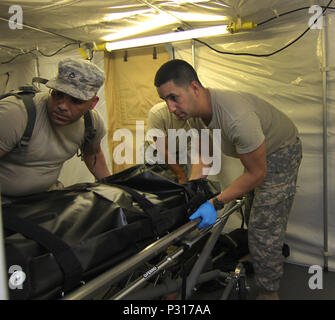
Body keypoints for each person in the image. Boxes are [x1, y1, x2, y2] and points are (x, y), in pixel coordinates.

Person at [154, 59, 302, 300]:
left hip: (281, 150)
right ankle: (258, 255)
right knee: (253, 207)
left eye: (173, 97)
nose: (170, 108)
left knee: (264, 223)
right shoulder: (192, 113)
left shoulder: (235, 116)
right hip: (259, 152)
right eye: (165, 100)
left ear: (194, 88)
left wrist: (215, 203)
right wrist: (192, 193)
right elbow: (204, 157)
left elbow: (257, 173)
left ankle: (268, 291)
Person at [0, 58, 111, 197]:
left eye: (76, 101)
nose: (62, 106)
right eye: (58, 94)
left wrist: (112, 190)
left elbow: (93, 154)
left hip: (44, 196)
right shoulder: (15, 113)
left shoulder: (92, 123)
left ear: (92, 103)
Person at [146, 101, 205, 183]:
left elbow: (202, 151)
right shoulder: (158, 113)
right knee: (157, 185)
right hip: (156, 152)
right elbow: (163, 149)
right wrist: (181, 176)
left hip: (179, 152)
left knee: (181, 185)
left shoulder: (197, 114)